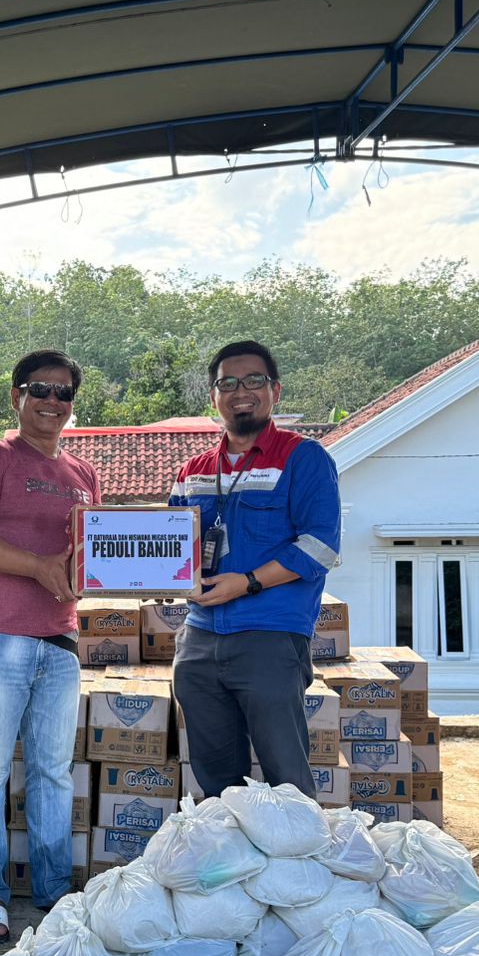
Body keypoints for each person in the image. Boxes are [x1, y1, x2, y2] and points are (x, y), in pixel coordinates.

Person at [0, 350, 100, 944]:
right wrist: (39, 567)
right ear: (17, 395)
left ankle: (53, 891)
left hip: (60, 639)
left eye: (64, 393)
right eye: (40, 389)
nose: (52, 401)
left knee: (52, 773)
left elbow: (97, 552)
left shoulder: (85, 474)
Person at [168, 340, 341, 798]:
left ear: (275, 391)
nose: (240, 390)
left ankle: (297, 865)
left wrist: (246, 583)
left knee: (286, 778)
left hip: (270, 636)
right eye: (228, 382)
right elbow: (167, 543)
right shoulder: (193, 471)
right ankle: (232, 866)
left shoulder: (304, 458)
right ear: (214, 396)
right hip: (199, 638)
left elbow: (320, 545)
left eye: (254, 380)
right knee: (217, 782)